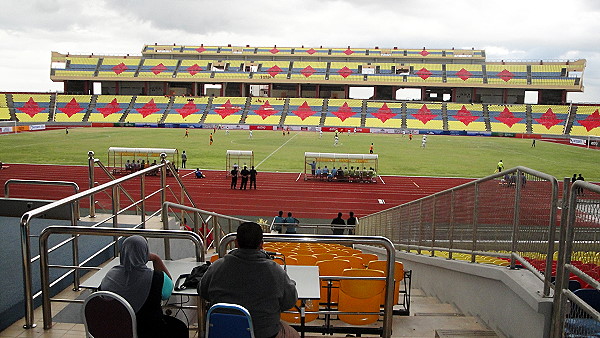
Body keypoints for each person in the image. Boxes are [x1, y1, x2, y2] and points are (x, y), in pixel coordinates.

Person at [200, 222, 299, 338]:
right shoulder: (276, 271)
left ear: (236, 242)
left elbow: (202, 291)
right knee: (293, 334)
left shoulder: (217, 266)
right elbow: (289, 302)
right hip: (264, 333)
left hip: (223, 332)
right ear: (261, 244)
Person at [100, 236, 188, 338]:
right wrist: (156, 259)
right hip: (147, 329)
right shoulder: (156, 278)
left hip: (116, 328)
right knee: (180, 328)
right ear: (145, 252)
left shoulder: (110, 274)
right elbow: (168, 290)